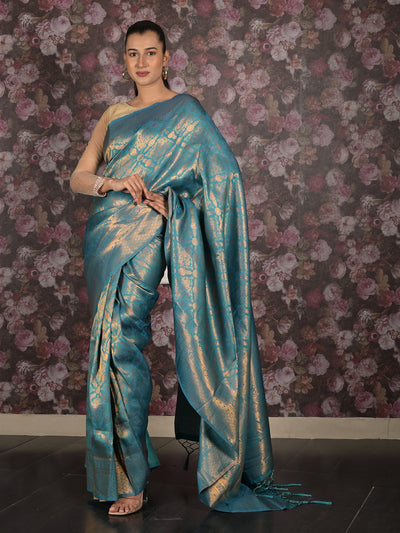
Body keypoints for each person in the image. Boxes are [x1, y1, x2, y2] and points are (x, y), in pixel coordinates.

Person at [71, 20, 328, 516]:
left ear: (167, 59)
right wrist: (112, 183)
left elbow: (223, 181)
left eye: (150, 52)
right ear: (123, 61)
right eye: (132, 53)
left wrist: (175, 206)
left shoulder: (187, 113)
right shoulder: (114, 114)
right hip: (104, 238)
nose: (141, 62)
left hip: (149, 235)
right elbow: (79, 177)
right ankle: (121, 471)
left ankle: (131, 481)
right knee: (108, 351)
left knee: (123, 343)